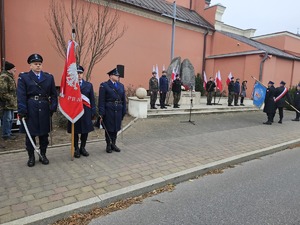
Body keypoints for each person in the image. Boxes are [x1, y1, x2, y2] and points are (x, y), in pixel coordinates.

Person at [17, 54, 58, 167]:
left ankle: (43, 155)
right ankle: (31, 157)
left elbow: (54, 94)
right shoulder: (23, 77)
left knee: (44, 135)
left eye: (40, 64)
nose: (38, 66)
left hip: (45, 108)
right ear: (30, 65)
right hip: (31, 108)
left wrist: (53, 107)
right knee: (31, 134)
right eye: (35, 64)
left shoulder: (49, 77)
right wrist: (22, 111)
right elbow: (21, 95)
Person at [67, 65, 95, 158]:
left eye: (80, 73)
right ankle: (76, 149)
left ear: (83, 74)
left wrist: (93, 111)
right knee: (75, 131)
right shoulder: (71, 85)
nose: (79, 75)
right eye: (77, 73)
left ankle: (83, 147)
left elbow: (92, 99)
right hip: (74, 111)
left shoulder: (88, 85)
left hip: (86, 111)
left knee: (85, 131)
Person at [98, 67, 126, 153]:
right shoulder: (104, 85)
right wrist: (101, 113)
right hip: (109, 110)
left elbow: (123, 100)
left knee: (116, 128)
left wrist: (124, 110)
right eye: (116, 75)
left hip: (118, 109)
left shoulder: (121, 86)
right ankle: (108, 145)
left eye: (118, 75)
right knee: (109, 128)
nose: (118, 76)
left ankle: (114, 144)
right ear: (110, 76)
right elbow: (101, 100)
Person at [0, 61, 17, 140]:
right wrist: (11, 99)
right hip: (6, 103)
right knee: (7, 119)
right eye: (14, 68)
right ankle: (6, 134)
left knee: (10, 119)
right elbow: (3, 92)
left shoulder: (9, 76)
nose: (15, 70)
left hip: (10, 102)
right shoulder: (4, 77)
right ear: (9, 69)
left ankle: (9, 133)